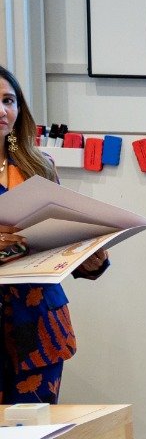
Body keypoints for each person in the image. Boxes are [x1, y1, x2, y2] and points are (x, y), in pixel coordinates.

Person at [0, 65, 110, 403]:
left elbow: (57, 238)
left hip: (38, 325)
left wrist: (88, 256)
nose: (2, 110)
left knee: (36, 432)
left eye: (8, 100)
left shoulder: (39, 166)